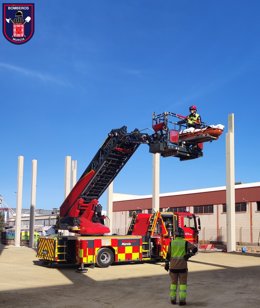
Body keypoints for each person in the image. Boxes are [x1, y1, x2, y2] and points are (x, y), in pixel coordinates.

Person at [164, 227, 198, 306]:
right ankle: (182, 301)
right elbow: (195, 249)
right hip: (182, 267)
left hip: (173, 267)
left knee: (173, 284)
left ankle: (173, 299)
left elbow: (168, 255)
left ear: (175, 235)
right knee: (182, 284)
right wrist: (189, 255)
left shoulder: (171, 243)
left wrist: (166, 264)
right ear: (182, 235)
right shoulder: (185, 243)